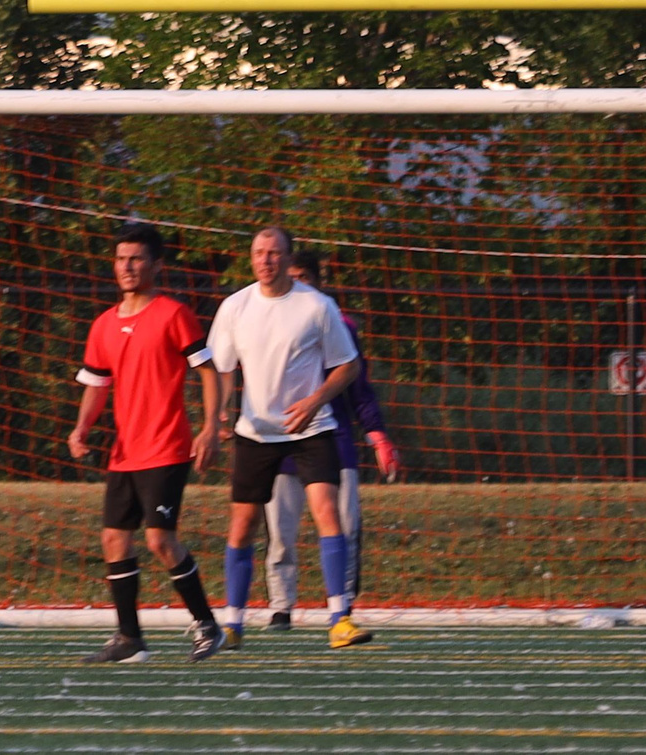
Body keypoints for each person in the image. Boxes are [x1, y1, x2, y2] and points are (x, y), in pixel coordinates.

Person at [66, 221, 228, 665]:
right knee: (114, 540)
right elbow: (96, 384)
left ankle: (207, 625)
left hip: (166, 447)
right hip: (124, 452)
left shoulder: (174, 315)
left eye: (136, 259)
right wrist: (81, 428)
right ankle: (129, 638)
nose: (127, 266)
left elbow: (208, 371)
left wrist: (211, 426)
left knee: (159, 540)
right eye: (121, 258)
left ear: (156, 264)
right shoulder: (102, 324)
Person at [204, 225, 371, 651]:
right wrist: (220, 411)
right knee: (242, 526)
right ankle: (234, 624)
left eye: (274, 253)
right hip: (255, 434)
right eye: (259, 252)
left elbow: (347, 366)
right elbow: (222, 367)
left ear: (287, 258)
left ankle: (340, 620)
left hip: (311, 429)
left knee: (326, 513)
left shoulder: (316, 306)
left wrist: (316, 401)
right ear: (251, 257)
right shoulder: (235, 306)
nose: (266, 260)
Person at [263, 248, 401, 632]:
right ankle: (280, 606)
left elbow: (359, 388)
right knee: (280, 532)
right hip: (281, 441)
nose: (297, 286)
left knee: (344, 525)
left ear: (317, 283)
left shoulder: (338, 324)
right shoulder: (264, 322)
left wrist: (377, 435)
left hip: (333, 440)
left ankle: (341, 605)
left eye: (304, 278)